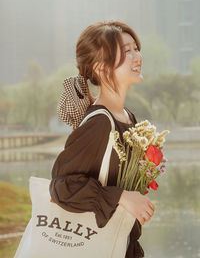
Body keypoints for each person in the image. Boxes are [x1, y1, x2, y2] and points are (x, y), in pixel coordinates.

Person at [49, 20, 155, 257]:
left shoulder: (127, 116)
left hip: (121, 244)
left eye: (136, 48)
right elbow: (62, 186)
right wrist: (122, 197)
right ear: (101, 67)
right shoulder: (99, 122)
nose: (137, 56)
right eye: (126, 51)